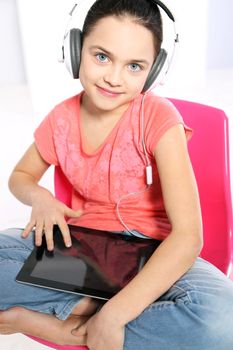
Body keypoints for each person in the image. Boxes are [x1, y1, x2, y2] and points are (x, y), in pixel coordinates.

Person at [1, 0, 233, 349]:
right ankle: (96, 312)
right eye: (102, 56)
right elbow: (20, 174)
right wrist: (41, 198)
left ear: (153, 71)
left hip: (155, 256)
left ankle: (74, 326)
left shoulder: (157, 117)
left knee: (222, 322)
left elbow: (188, 237)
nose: (113, 77)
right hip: (82, 256)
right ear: (77, 49)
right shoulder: (60, 119)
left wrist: (115, 315)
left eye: (134, 66)